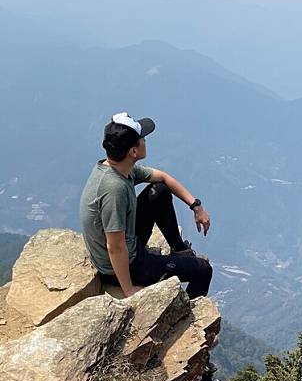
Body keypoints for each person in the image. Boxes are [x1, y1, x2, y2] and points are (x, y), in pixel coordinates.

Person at [80, 111, 213, 298]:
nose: (145, 141)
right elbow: (115, 247)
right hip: (124, 266)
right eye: (142, 138)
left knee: (159, 191)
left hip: (128, 241)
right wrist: (129, 290)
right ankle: (186, 314)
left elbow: (164, 178)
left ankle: (180, 251)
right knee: (203, 270)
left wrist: (196, 206)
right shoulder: (114, 189)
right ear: (133, 151)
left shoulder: (117, 167)